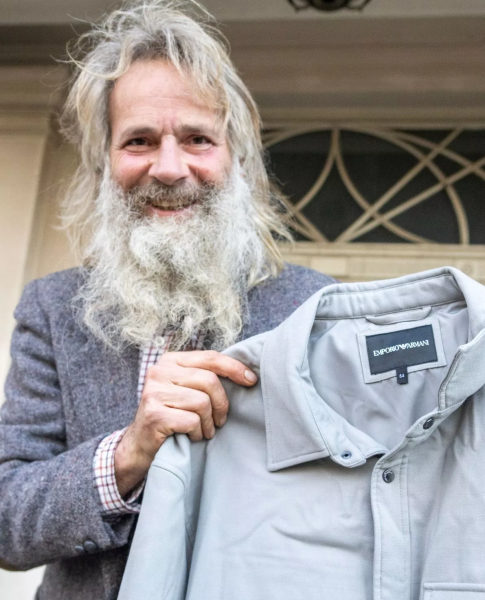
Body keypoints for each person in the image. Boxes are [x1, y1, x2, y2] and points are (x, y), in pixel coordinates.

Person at [0, 1, 334, 598]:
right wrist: (128, 452)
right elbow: (7, 522)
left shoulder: (314, 307)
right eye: (139, 140)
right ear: (104, 163)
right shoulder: (52, 310)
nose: (170, 168)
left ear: (237, 159)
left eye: (198, 139)